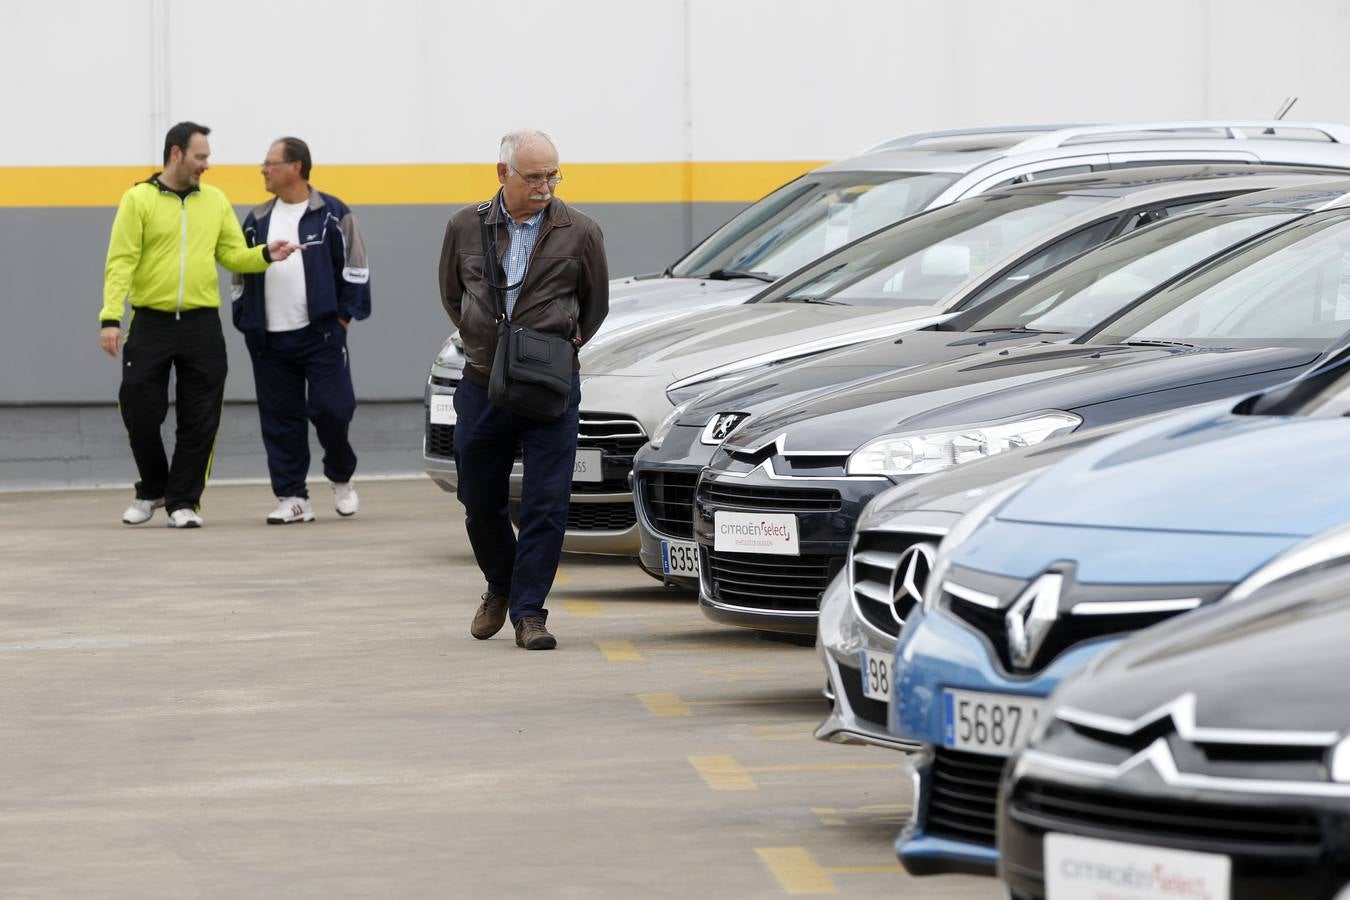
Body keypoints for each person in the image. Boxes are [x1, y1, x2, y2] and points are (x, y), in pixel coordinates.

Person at [437, 129, 609, 650]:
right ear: (502, 174)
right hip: (482, 382)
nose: (544, 186)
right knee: (478, 499)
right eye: (533, 176)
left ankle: (529, 611)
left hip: (549, 386)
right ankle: (502, 583)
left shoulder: (580, 231)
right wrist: (485, 340)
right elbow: (452, 294)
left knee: (546, 502)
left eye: (552, 175)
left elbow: (593, 305)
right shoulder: (465, 226)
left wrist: (557, 344)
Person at [100, 121, 297, 529]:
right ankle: (153, 487)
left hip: (201, 325)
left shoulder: (215, 201)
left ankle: (183, 502)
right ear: (176, 154)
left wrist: (264, 255)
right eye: (200, 156)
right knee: (138, 406)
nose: (207, 164)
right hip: (150, 322)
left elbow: (231, 255)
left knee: (200, 417)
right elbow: (120, 262)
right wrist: (111, 318)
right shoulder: (138, 200)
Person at [231, 137, 371, 524]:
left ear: (296, 167)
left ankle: (341, 475)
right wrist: (244, 318)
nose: (263, 169)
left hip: (322, 336)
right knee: (280, 419)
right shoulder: (256, 219)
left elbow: (357, 269)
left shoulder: (333, 213)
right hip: (268, 339)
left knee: (333, 410)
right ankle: (293, 498)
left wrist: (343, 318)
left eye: (269, 163)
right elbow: (239, 273)